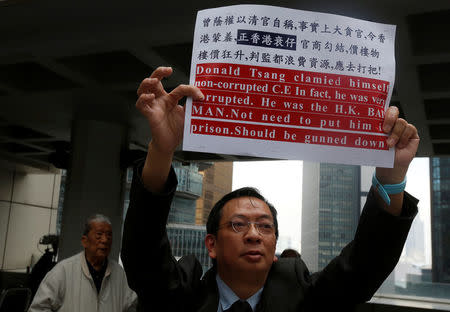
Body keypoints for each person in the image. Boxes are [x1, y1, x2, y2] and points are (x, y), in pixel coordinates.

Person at [121, 66, 420, 311]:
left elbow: (363, 268)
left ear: (275, 247)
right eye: (238, 225)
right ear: (210, 244)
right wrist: (162, 149)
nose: (254, 234)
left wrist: (392, 176)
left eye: (265, 227)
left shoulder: (305, 298)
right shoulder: (182, 297)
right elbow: (144, 256)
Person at [29, 214, 137, 312]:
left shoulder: (119, 273)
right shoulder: (63, 270)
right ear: (84, 241)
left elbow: (131, 306)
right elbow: (38, 308)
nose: (105, 240)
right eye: (99, 235)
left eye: (109, 235)